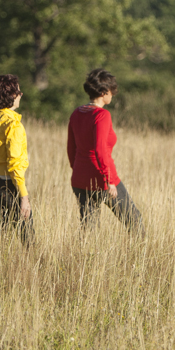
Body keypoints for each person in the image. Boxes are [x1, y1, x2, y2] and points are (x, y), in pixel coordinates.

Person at [67, 68, 143, 237]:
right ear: (104, 92)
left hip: (79, 179)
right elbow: (100, 149)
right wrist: (109, 180)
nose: (113, 94)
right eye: (111, 91)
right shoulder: (102, 115)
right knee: (134, 220)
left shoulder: (76, 113)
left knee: (89, 230)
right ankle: (141, 252)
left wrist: (78, 170)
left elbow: (71, 148)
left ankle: (84, 255)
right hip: (102, 179)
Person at [0, 74, 34, 245]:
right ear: (11, 95)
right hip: (10, 185)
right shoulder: (13, 125)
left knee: (0, 237)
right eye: (18, 91)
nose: (21, 95)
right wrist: (23, 196)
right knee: (27, 239)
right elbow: (15, 164)